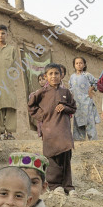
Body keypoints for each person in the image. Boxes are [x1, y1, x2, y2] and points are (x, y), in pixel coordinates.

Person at [28, 63, 77, 196]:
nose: (54, 76)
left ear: (61, 76)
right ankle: (55, 185)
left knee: (66, 158)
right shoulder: (41, 93)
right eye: (51, 74)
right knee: (52, 158)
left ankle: (68, 186)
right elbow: (31, 106)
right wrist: (42, 115)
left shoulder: (66, 92)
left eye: (57, 73)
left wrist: (65, 107)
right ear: (46, 76)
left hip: (64, 130)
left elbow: (73, 108)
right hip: (49, 130)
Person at [70, 56, 100, 141]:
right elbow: (70, 88)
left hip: (87, 103)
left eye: (81, 63)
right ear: (74, 65)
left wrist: (91, 90)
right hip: (77, 104)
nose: (79, 65)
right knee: (78, 123)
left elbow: (96, 83)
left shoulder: (87, 75)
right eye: (77, 63)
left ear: (84, 65)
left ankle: (93, 142)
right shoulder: (72, 77)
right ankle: (79, 142)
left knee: (90, 122)